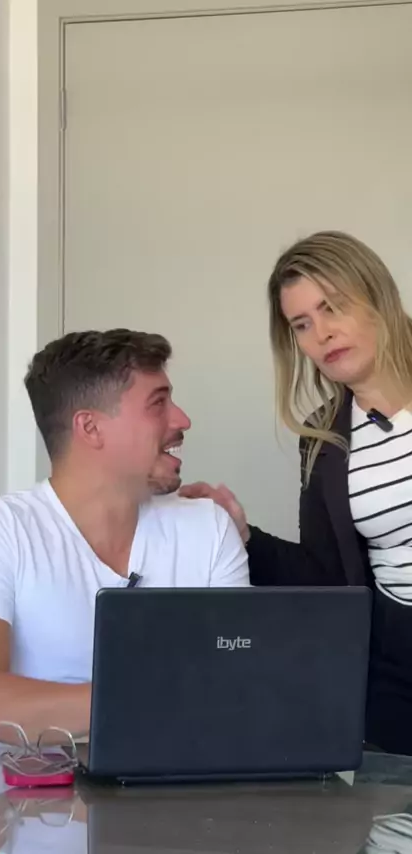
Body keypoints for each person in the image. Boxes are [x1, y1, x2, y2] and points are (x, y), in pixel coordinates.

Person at [0, 329, 249, 749]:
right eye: (158, 403)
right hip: (24, 792)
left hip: (183, 788)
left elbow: (238, 692)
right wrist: (153, 699)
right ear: (91, 427)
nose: (181, 420)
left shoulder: (208, 528)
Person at [180, 230, 412, 756]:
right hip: (397, 678)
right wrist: (243, 536)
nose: (322, 334)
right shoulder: (324, 440)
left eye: (333, 307)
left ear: (377, 296)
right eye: (302, 324)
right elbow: (327, 577)